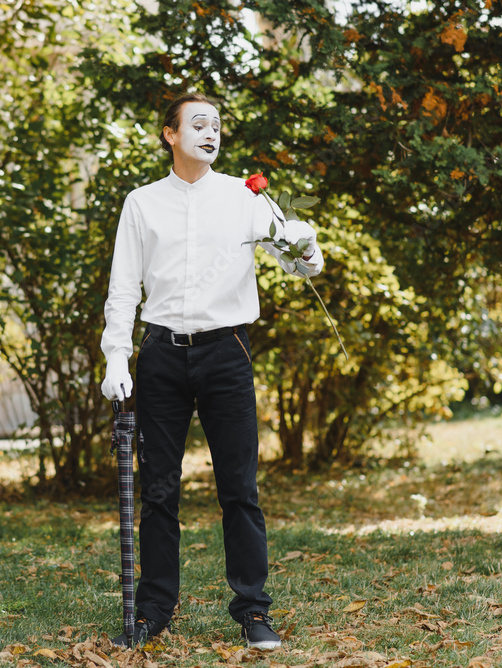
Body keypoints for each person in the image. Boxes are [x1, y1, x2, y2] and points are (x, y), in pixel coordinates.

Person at [100, 92, 324, 650]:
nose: (211, 132)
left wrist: (306, 244)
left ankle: (253, 612)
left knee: (240, 489)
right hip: (160, 354)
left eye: (217, 124)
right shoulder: (142, 203)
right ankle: (153, 609)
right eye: (197, 123)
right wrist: (114, 354)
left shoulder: (246, 197)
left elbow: (302, 266)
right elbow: (124, 287)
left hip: (228, 353)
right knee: (157, 491)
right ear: (170, 135)